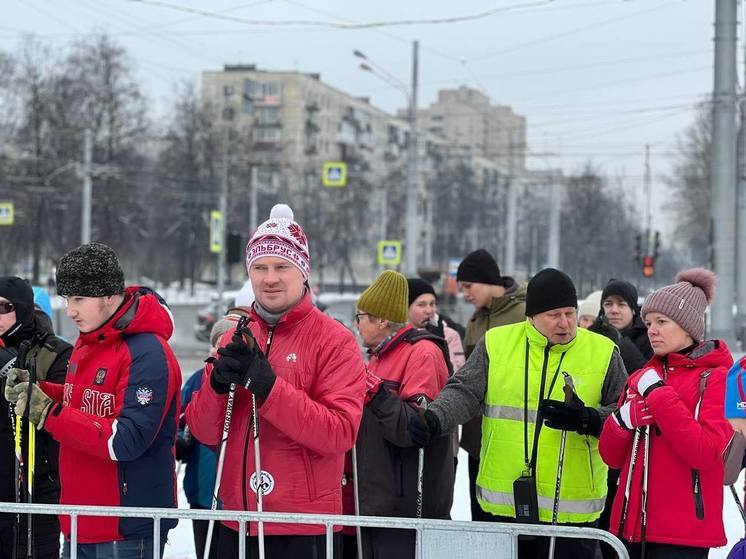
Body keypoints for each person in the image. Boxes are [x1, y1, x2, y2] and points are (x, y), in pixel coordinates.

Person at [186, 204, 366, 558]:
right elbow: (204, 432)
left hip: (301, 524)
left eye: (282, 267)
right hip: (236, 520)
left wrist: (269, 389)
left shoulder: (335, 340)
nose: (270, 278)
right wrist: (216, 388)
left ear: (303, 272)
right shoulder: (233, 338)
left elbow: (339, 433)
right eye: (260, 268)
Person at [408, 268, 627, 558]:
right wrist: (435, 418)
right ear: (532, 316)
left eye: (569, 313)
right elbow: (464, 391)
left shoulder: (603, 351)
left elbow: (624, 412)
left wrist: (588, 419)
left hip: (571, 509)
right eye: (554, 315)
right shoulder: (497, 343)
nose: (565, 323)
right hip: (503, 503)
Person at [4, 243, 182, 559]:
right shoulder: (89, 342)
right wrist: (40, 391)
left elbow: (126, 440)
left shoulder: (148, 352)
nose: (70, 311)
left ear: (109, 297)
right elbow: (80, 402)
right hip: (79, 518)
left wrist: (48, 412)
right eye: (67, 299)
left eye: (79, 300)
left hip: (125, 528)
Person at [599, 268, 734, 559]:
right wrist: (622, 421)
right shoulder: (643, 376)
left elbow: (706, 452)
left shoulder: (716, 378)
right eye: (648, 322)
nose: (652, 330)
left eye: (662, 322)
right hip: (630, 527)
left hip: (683, 534)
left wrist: (660, 396)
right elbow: (610, 457)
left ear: (689, 327)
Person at [355, 271, 453, 559]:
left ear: (381, 320)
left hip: (407, 504)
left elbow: (414, 427)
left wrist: (374, 390)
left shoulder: (423, 353)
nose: (357, 324)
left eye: (360, 316)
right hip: (378, 498)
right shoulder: (378, 356)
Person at [0, 277, 71, 559]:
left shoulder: (55, 352)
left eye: (4, 307)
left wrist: (9, 366)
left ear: (24, 308)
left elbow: (61, 410)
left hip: (35, 487)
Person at [455, 248, 527, 521]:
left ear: (487, 279)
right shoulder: (476, 319)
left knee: (510, 521)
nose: (465, 294)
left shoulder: (523, 314)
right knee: (481, 518)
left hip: (512, 440)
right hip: (478, 439)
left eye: (468, 286)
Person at [177, 316, 239, 559]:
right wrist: (179, 442)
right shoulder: (196, 380)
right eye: (216, 344)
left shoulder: (245, 380)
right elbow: (180, 423)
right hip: (202, 491)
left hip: (237, 496)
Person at [406, 278, 465, 371]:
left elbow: (458, 376)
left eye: (432, 304)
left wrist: (438, 343)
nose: (429, 310)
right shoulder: (396, 335)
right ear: (406, 307)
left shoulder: (449, 335)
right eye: (421, 305)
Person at [600, 279, 653, 364]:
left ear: (633, 310)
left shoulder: (650, 339)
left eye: (621, 304)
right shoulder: (593, 337)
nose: (614, 310)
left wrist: (621, 344)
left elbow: (651, 375)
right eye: (608, 304)